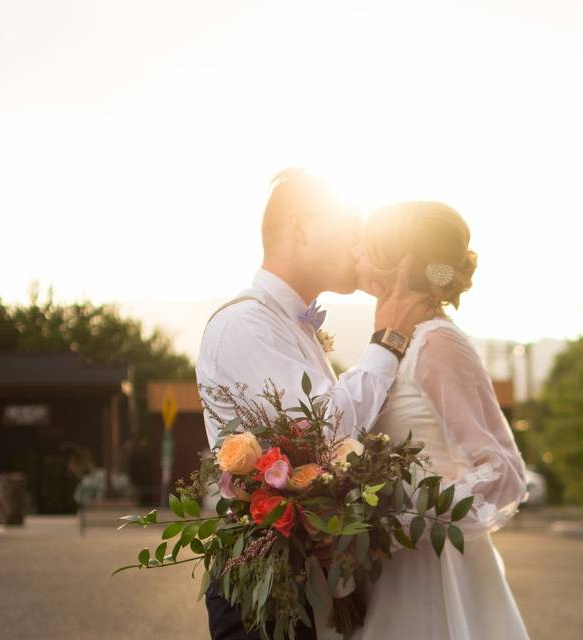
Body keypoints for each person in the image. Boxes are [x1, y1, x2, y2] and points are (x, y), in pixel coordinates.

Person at [195, 169, 436, 640]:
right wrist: (388, 339)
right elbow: (321, 430)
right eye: (350, 229)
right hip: (264, 589)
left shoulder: (293, 327)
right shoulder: (246, 324)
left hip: (302, 576)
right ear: (301, 227)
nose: (358, 244)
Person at [349, 201, 531, 640]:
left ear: (400, 263)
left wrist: (403, 513)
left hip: (430, 568)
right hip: (391, 567)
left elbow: (502, 473)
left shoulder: (438, 344)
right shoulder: (399, 341)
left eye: (368, 245)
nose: (355, 252)